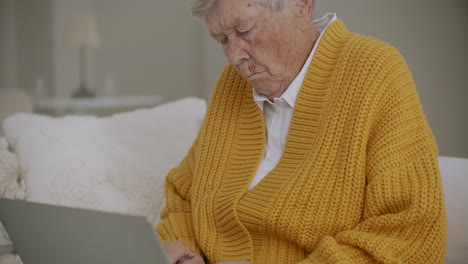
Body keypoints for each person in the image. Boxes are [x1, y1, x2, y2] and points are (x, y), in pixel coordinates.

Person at [157, 0, 447, 263]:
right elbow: (185, 191)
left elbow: (412, 235)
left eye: (245, 29)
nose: (234, 56)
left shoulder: (373, 71)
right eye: (222, 40)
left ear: (301, 6)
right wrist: (181, 247)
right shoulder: (232, 85)